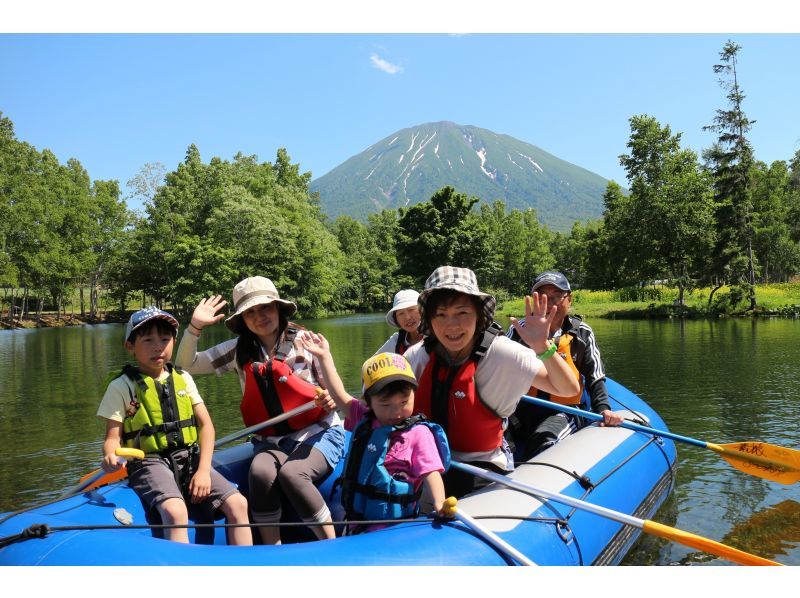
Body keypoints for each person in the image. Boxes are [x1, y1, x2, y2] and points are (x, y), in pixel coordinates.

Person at [175, 276, 345, 544]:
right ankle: (272, 549)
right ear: (242, 320)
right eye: (250, 312)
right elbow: (186, 365)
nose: (259, 316)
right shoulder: (237, 351)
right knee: (260, 473)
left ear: (278, 308)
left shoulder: (307, 342)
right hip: (271, 440)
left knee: (293, 474)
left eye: (265, 307)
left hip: (319, 432)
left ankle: (331, 544)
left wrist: (330, 399)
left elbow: (333, 391)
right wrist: (195, 327)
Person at [402, 265, 581, 498]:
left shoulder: (504, 354)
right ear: (429, 319)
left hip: (481, 469)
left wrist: (542, 346)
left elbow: (568, 390)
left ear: (478, 315)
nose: (452, 325)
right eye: (441, 315)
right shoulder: (416, 357)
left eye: (462, 313)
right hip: (425, 465)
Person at [97, 307, 252, 545]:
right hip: (147, 462)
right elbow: (112, 437)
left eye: (165, 339)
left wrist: (202, 471)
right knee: (176, 511)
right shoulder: (121, 386)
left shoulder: (183, 378)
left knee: (239, 504)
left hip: (188, 458)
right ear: (130, 346)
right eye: (147, 340)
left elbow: (206, 426)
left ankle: (244, 566)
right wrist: (110, 454)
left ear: (173, 342)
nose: (158, 346)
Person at [299, 335, 448, 534]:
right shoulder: (363, 417)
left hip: (397, 528)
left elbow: (431, 472)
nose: (396, 412)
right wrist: (324, 357)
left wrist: (440, 503)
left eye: (404, 402)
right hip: (357, 523)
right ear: (367, 402)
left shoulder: (419, 434)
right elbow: (338, 394)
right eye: (385, 405)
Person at [505, 271, 624, 461]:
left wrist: (603, 408)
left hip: (563, 411)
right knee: (497, 435)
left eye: (556, 297)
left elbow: (595, 375)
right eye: (543, 297)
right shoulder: (519, 330)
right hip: (521, 408)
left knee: (544, 441)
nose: (550, 303)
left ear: (569, 299)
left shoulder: (581, 333)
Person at [374, 289, 424, 355]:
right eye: (401, 313)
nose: (407, 317)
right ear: (396, 319)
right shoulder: (397, 340)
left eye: (411, 310)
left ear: (423, 310)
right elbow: (373, 362)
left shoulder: (435, 335)